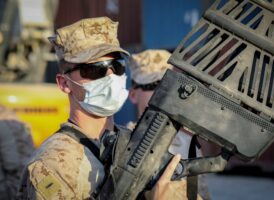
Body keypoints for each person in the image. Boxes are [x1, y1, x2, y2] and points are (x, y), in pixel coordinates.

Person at [17, 17, 188, 199]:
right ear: (64, 83)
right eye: (95, 70)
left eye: (117, 66)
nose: (110, 76)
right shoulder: (50, 166)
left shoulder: (138, 145)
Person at [128, 49, 211, 200]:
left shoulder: (188, 144)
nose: (163, 91)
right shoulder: (122, 143)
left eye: (169, 84)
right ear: (133, 94)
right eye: (155, 84)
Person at [0, 105, 35, 200]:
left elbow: (11, 164)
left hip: (11, 185)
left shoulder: (3, 127)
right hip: (28, 178)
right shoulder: (24, 126)